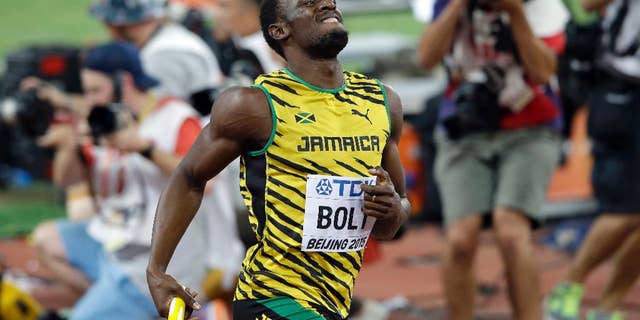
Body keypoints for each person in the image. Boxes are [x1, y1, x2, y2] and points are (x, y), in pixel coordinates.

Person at [146, 0, 411, 319]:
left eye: (328, 0)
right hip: (271, 296)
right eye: (308, 3)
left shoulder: (382, 103)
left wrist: (393, 209)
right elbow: (188, 178)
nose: (327, 3)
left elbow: (391, 223)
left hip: (333, 301)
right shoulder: (253, 106)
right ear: (279, 30)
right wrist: (157, 270)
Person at [31, 41, 208, 319]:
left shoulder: (176, 117)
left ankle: (124, 303)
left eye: (94, 91)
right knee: (46, 239)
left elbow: (208, 182)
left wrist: (145, 149)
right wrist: (69, 145)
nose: (88, 101)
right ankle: (108, 298)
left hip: (158, 259)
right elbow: (66, 182)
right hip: (114, 242)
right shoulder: (100, 121)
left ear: (123, 82)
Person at [415, 0, 568, 318]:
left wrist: (514, 12)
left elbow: (542, 72)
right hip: (465, 130)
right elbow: (426, 58)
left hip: (530, 128)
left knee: (511, 231)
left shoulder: (543, 7)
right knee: (459, 238)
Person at [545, 0, 640, 319]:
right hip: (623, 98)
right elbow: (589, 3)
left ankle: (608, 307)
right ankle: (568, 287)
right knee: (623, 212)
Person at [89, 0, 224, 116]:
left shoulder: (162, 54)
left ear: (128, 25)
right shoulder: (166, 39)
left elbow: (164, 120)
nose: (110, 32)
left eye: (110, 24)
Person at [212, 0, 285, 74]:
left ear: (250, 13)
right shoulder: (228, 44)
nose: (216, 13)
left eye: (223, 6)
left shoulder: (276, 45)